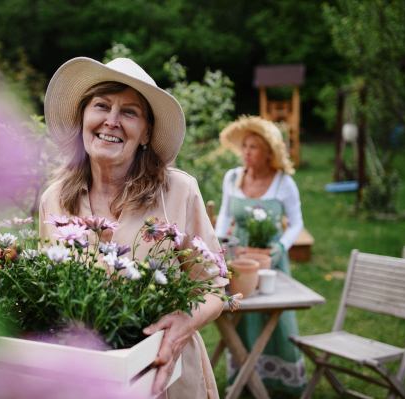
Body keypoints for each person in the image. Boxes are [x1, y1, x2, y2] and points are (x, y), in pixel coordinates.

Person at [38, 57, 229, 398]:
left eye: (129, 112)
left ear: (146, 134)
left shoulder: (178, 192)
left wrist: (185, 323)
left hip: (162, 374)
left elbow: (214, 287)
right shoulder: (54, 200)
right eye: (101, 106)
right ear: (83, 117)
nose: (111, 121)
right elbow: (48, 293)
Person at [214, 115, 307, 394]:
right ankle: (246, 374)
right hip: (239, 258)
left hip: (272, 259)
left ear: (269, 152)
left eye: (253, 147)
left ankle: (283, 380)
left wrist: (280, 248)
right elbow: (225, 217)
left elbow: (297, 222)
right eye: (244, 146)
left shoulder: (283, 182)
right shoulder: (232, 177)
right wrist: (221, 245)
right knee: (243, 314)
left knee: (278, 317)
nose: (246, 152)